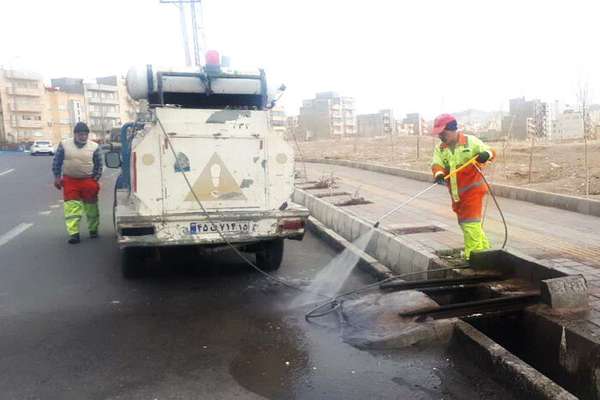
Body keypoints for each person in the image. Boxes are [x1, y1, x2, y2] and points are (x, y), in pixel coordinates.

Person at [430, 114, 495, 260]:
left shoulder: (470, 142)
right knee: (469, 224)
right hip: (456, 194)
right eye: (438, 133)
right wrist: (439, 174)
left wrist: (486, 154)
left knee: (469, 224)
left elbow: (491, 152)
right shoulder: (440, 148)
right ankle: (485, 251)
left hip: (473, 191)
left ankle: (474, 258)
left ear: (452, 129)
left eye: (443, 132)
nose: (440, 136)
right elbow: (436, 163)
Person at [52, 122, 103, 244]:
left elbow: (99, 165)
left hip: (88, 181)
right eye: (81, 134)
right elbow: (57, 162)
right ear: (75, 134)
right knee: (71, 209)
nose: (83, 136)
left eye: (85, 134)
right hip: (70, 181)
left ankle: (93, 229)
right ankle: (74, 234)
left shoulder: (94, 147)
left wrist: (95, 179)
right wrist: (57, 177)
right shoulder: (64, 145)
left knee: (91, 208)